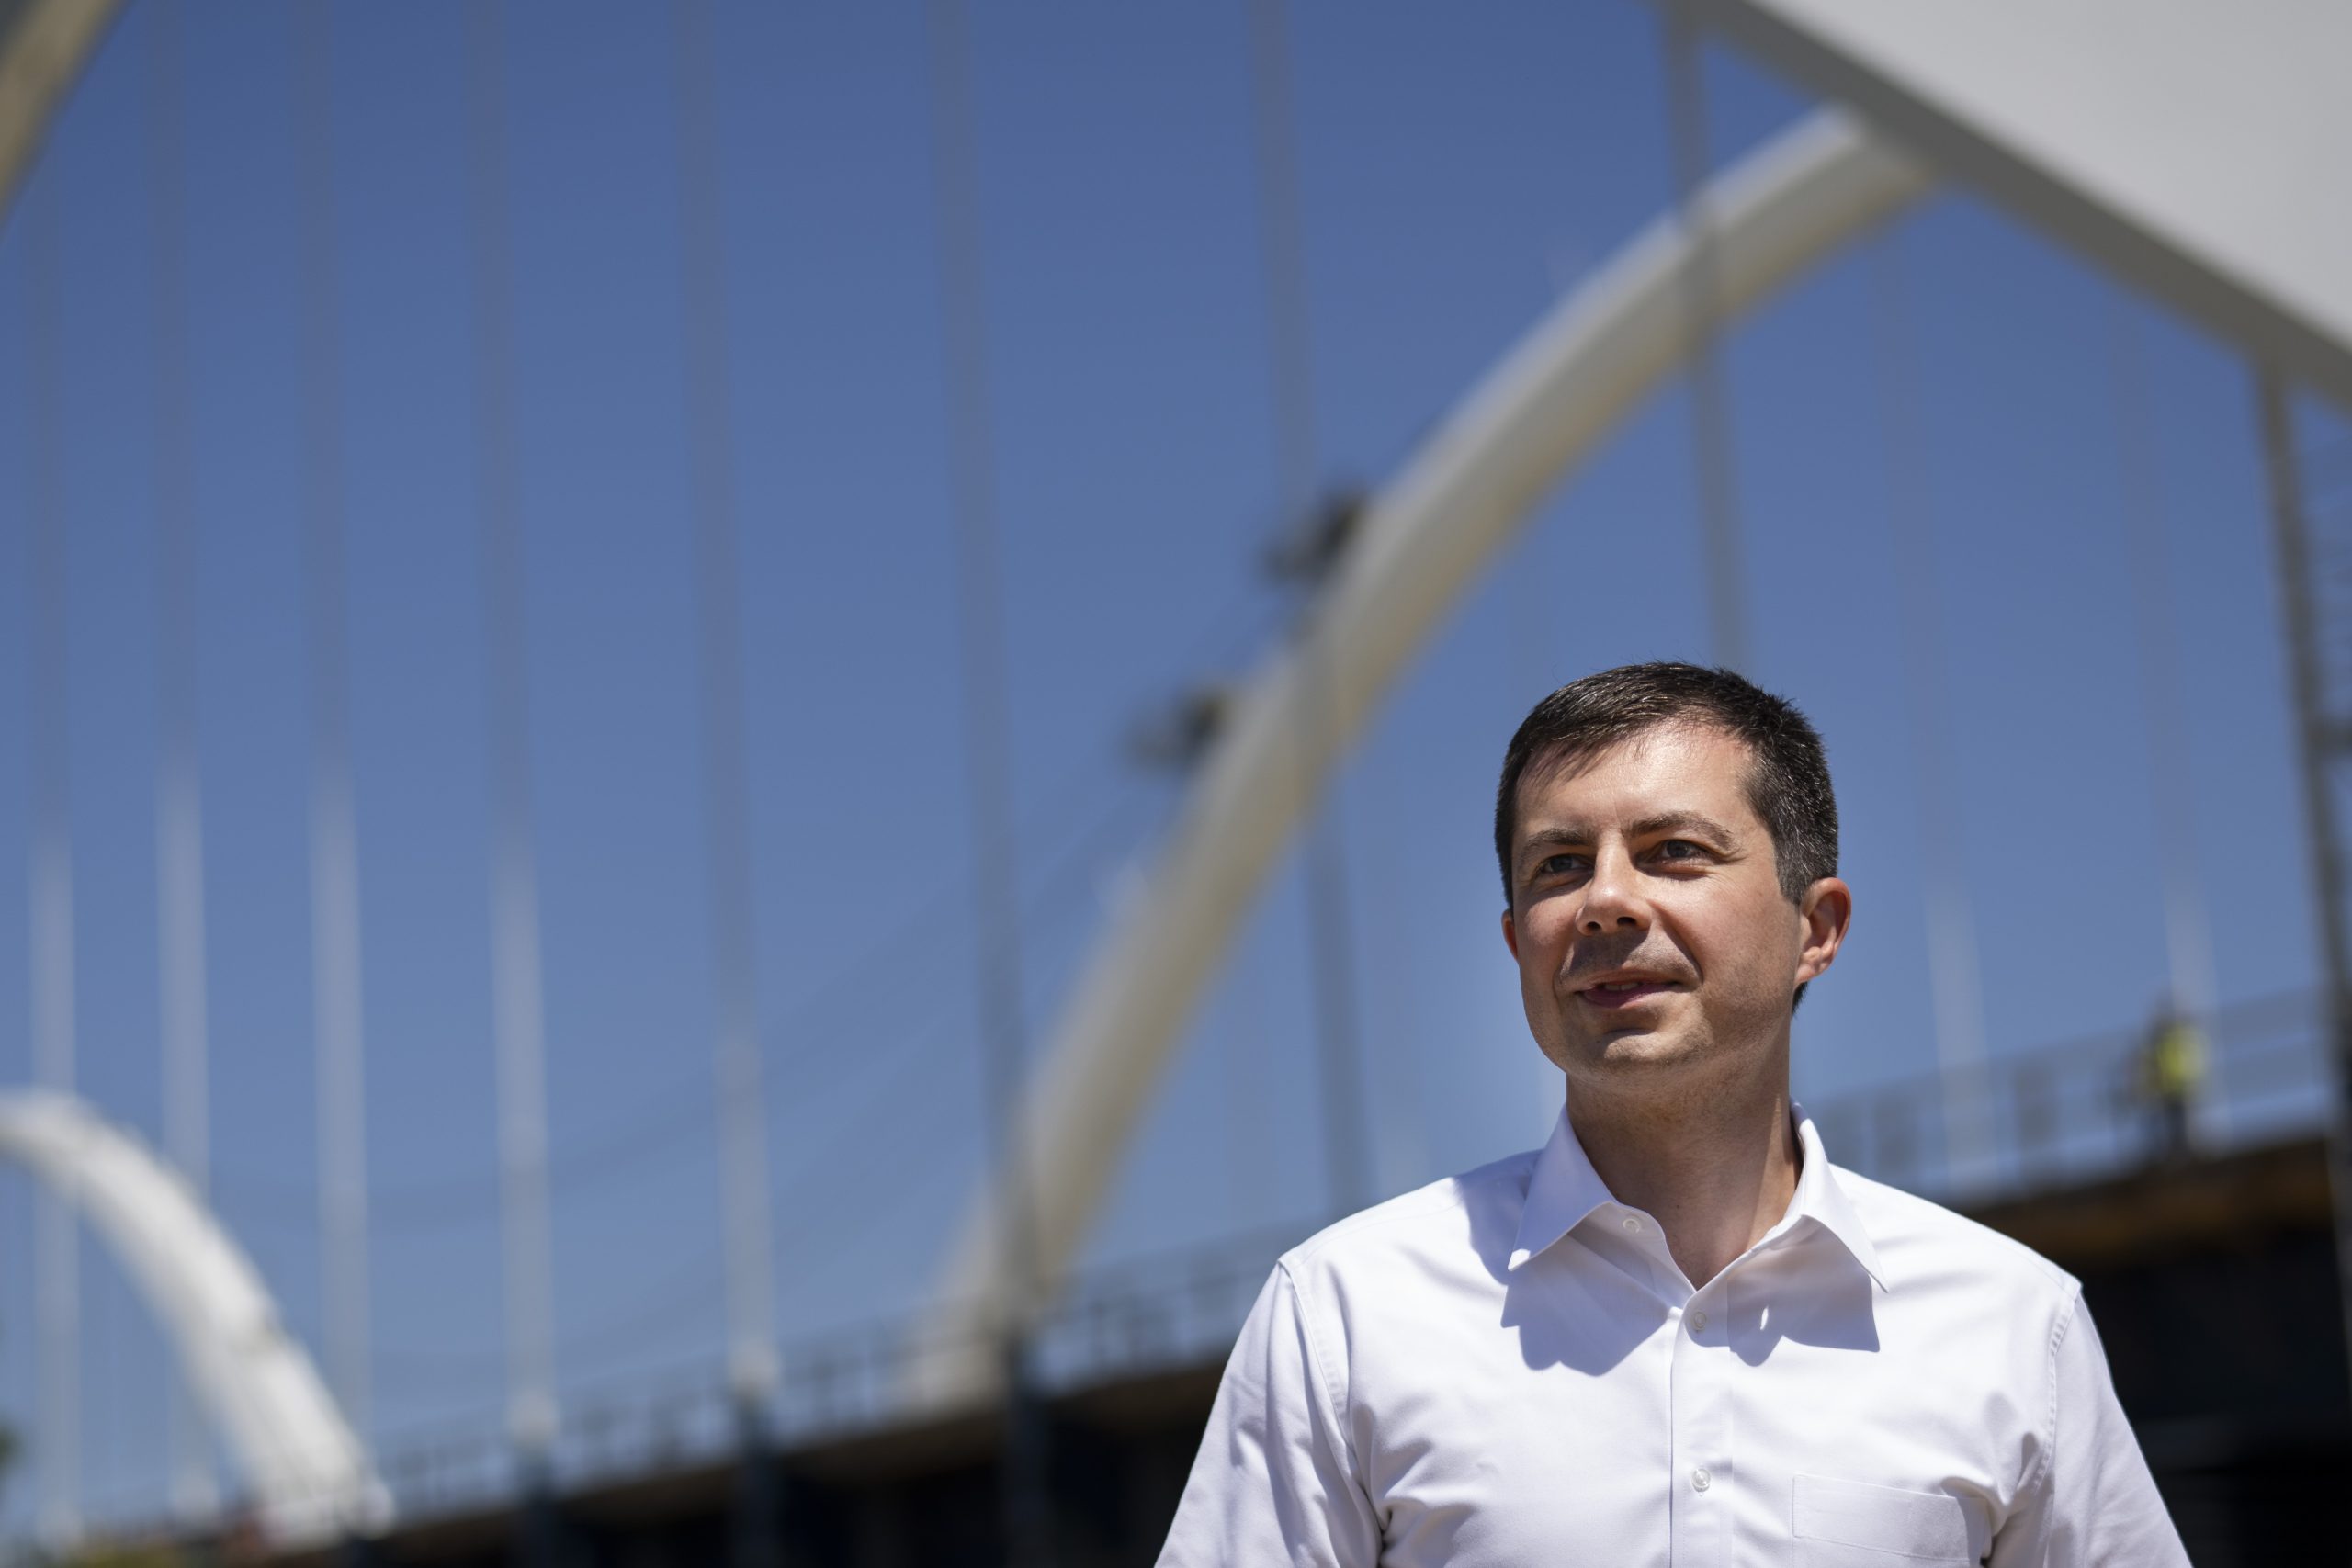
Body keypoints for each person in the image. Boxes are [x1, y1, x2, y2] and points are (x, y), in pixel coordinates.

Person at [1158, 662, 2186, 1566]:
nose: (1606, 901)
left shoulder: (2011, 1326)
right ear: (1520, 944)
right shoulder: (1344, 1317)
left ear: (1815, 928)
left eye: (1674, 852)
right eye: (1560, 865)